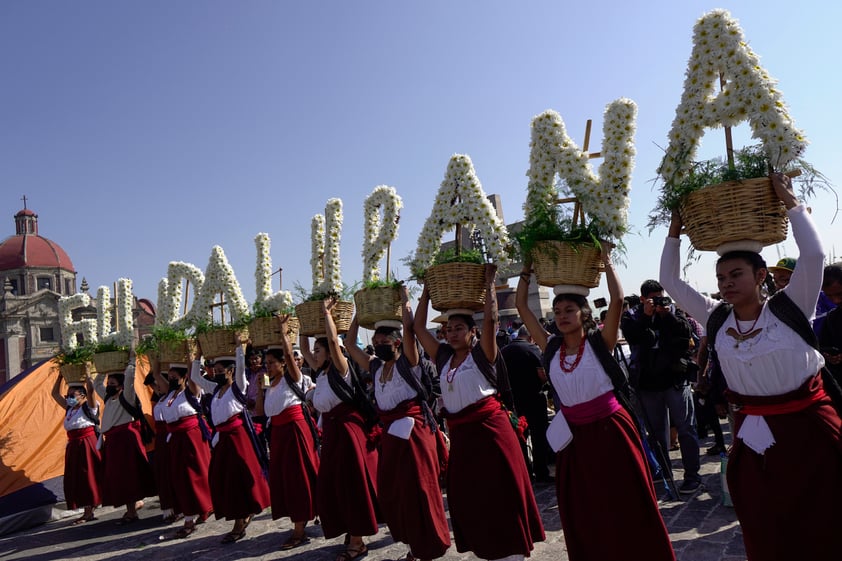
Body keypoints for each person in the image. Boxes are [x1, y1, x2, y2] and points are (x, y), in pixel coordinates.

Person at [660, 172, 842, 560]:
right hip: (754, 436)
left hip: (808, 431)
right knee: (765, 523)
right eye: (721, 277)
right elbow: (670, 281)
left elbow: (813, 256)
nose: (726, 283)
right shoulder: (716, 319)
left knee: (823, 521)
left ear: (761, 276)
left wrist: (791, 203)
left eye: (736, 274)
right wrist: (675, 230)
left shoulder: (792, 306)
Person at [516, 243, 675, 561]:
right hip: (575, 442)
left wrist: (607, 259)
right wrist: (527, 268)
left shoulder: (599, 343)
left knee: (622, 504)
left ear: (584, 314)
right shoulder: (550, 349)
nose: (561, 317)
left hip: (610, 434)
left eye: (569, 311)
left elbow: (616, 299)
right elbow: (522, 307)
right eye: (557, 312)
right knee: (586, 509)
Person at [415, 263, 544, 561]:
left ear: (472, 332)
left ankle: (512, 553)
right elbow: (419, 329)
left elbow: (491, 320)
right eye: (448, 329)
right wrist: (425, 292)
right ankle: (489, 550)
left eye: (459, 328)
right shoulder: (444, 356)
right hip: (463, 438)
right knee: (471, 500)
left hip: (492, 435)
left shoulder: (483, 354)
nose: (452, 333)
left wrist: (488, 284)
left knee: (502, 495)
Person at [345, 286, 451, 561]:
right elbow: (349, 345)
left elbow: (410, 330)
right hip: (392, 439)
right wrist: (360, 312)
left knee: (420, 491)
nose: (378, 343)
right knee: (397, 494)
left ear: (395, 343)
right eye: (376, 339)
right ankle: (413, 544)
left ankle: (428, 545)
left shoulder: (409, 362)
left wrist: (405, 302)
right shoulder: (375, 367)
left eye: (383, 340)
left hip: (415, 437)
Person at [301, 298, 380, 561]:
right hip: (333, 434)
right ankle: (350, 533)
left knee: (352, 485)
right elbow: (300, 348)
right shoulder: (320, 374)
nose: (314, 353)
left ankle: (357, 543)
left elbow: (335, 343)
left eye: (318, 349)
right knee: (336, 486)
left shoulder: (341, 368)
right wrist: (303, 324)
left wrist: (326, 314)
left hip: (348, 433)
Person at [620, 279, 702, 494]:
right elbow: (633, 336)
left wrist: (667, 315)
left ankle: (692, 475)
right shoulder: (632, 315)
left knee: (686, 428)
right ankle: (664, 473)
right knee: (656, 433)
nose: (657, 302)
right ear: (642, 299)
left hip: (675, 378)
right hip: (648, 383)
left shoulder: (673, 311)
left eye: (660, 297)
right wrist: (647, 316)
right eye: (652, 299)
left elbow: (685, 334)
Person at [190, 346, 271, 543]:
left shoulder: (238, 387)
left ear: (230, 371)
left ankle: (239, 521)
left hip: (237, 439)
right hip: (222, 440)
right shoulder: (215, 389)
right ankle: (240, 516)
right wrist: (198, 355)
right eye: (215, 371)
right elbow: (195, 378)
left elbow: (242, 367)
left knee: (238, 479)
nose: (216, 374)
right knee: (222, 479)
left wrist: (238, 346)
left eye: (220, 371)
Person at [255, 316, 319, 550]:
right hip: (278, 434)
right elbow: (261, 412)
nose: (267, 366)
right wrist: (262, 391)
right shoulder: (270, 385)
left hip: (294, 431)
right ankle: (298, 521)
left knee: (298, 479)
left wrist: (283, 335)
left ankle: (299, 530)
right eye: (266, 363)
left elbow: (291, 358)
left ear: (284, 363)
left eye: (272, 362)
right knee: (285, 480)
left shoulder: (293, 378)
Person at [93, 350, 156, 524]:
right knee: (119, 477)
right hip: (113, 441)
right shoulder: (107, 397)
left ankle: (131, 511)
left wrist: (131, 360)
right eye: (109, 383)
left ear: (120, 386)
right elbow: (96, 383)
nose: (109, 385)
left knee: (129, 476)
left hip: (125, 439)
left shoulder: (126, 396)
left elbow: (129, 379)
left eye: (112, 383)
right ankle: (131, 508)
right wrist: (104, 367)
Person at [160, 361, 213, 538]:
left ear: (184, 377)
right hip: (175, 437)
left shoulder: (191, 391)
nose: (171, 379)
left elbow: (194, 376)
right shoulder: (170, 394)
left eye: (175, 376)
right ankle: (192, 511)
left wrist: (192, 358)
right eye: (170, 376)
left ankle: (196, 513)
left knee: (195, 474)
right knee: (180, 477)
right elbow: (155, 373)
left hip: (191, 436)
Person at [500, 325, 553, 484]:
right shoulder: (532, 349)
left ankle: (526, 474)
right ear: (531, 337)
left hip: (513, 401)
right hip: (534, 398)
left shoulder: (504, 351)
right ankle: (541, 472)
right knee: (538, 436)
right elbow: (542, 374)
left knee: (521, 437)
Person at [61, 381, 102, 525]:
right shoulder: (70, 410)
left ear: (82, 396)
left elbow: (91, 390)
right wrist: (60, 376)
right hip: (73, 444)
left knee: (88, 475)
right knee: (77, 478)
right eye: (67, 395)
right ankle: (88, 510)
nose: (69, 398)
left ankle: (89, 511)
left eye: (72, 395)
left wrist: (87, 374)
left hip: (86, 442)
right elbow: (54, 394)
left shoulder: (89, 407)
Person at [144, 366, 181, 524]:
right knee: (163, 473)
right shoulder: (158, 400)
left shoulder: (173, 396)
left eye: (157, 383)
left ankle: (180, 507)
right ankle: (169, 507)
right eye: (153, 385)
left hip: (171, 435)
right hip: (161, 439)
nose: (155, 387)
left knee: (176, 471)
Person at [820, 264, 842, 387]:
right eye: (829, 296)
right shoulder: (832, 318)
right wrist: (828, 356)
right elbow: (825, 345)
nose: (836, 301)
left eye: (840, 294)